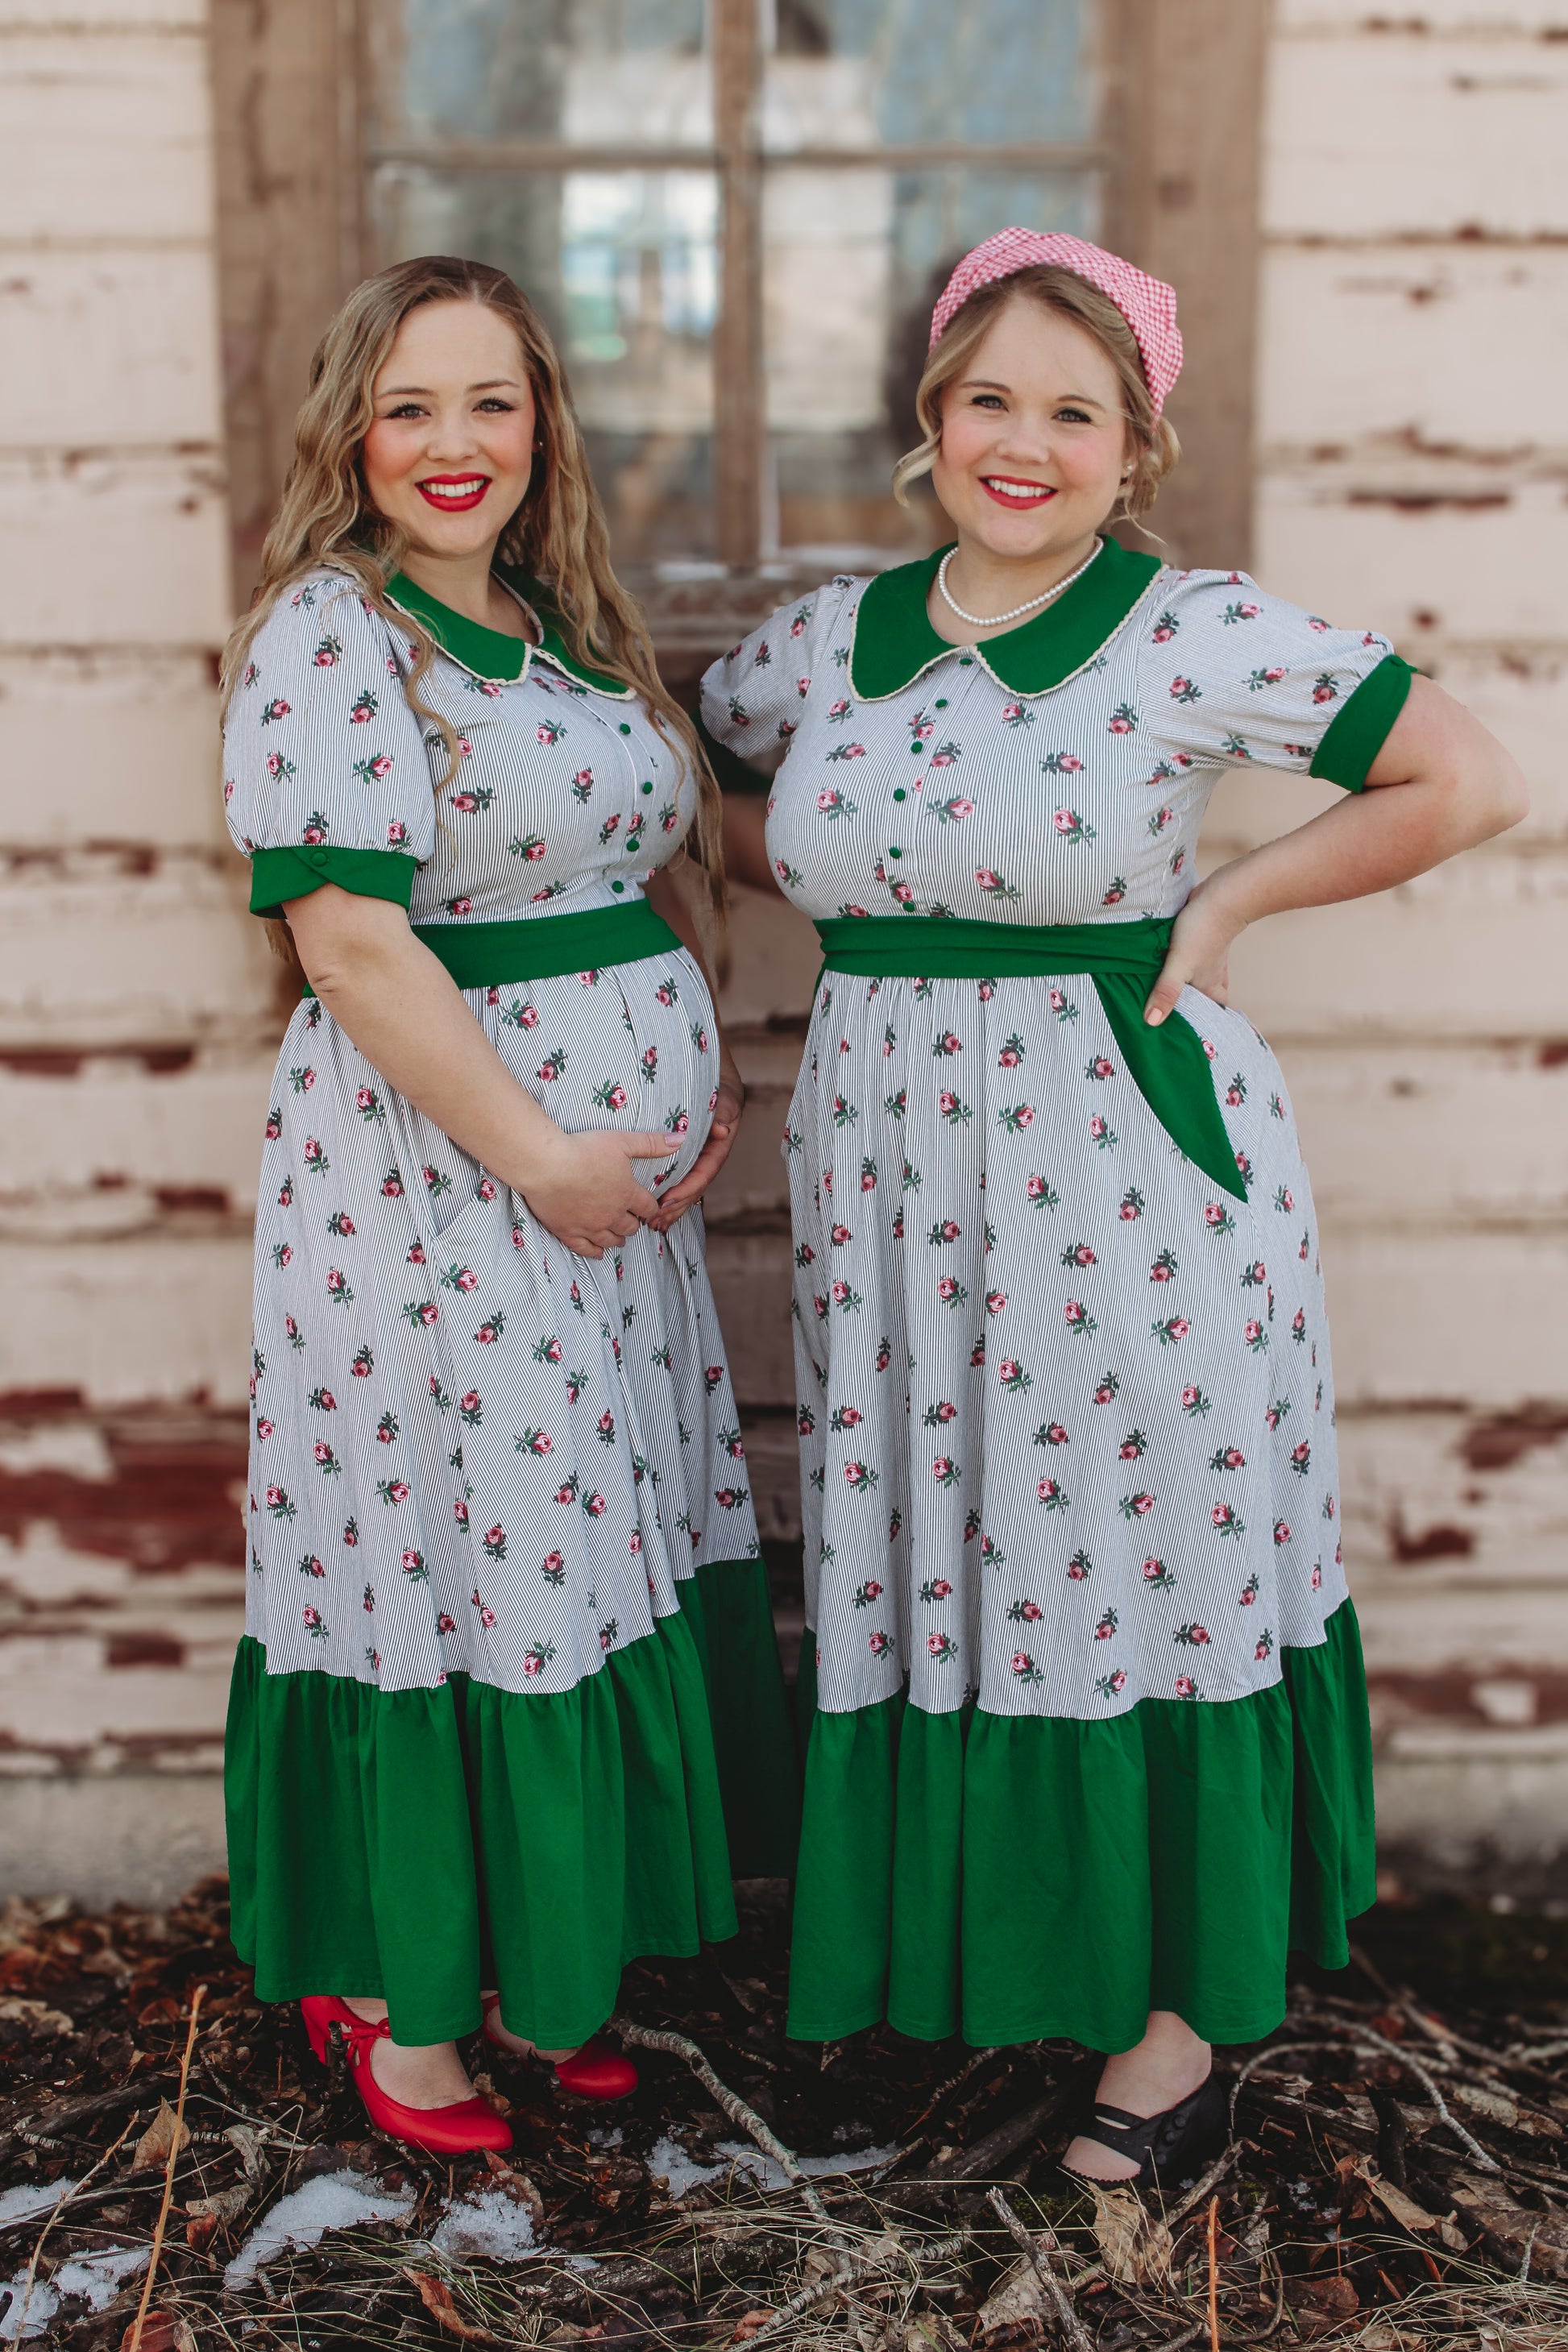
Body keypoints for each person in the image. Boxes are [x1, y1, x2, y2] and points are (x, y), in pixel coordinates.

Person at [701, 229, 1527, 2184]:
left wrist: (1226, 903)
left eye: (1075, 412)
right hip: (894, 1184)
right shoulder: (822, 642)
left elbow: (1462, 776)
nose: (1024, 442)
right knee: (950, 1545)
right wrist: (828, 879)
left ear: (1133, 448)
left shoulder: (1187, 632)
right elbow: (708, 785)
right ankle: (999, 1964)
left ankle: (1175, 2026)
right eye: (989, 396)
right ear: (930, 414)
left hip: (1113, 1164)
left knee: (1127, 1545)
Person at [221, 254, 794, 2155]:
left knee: (567, 1559)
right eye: (408, 407)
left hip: (598, 1211)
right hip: (443, 1187)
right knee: (455, 1562)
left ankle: (541, 1966)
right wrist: (545, 1153)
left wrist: (686, 1072)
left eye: (489, 399)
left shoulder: (557, 632)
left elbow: (646, 872)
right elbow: (353, 946)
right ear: (350, 436)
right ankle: (400, 1991)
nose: (452, 442)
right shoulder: (333, 636)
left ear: (542, 416)